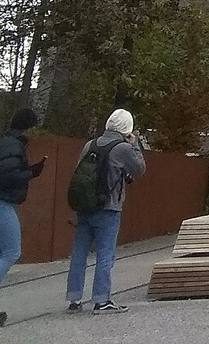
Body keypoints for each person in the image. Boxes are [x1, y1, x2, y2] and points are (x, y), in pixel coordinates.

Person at [66, 109, 145, 315]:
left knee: (79, 252)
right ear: (127, 128)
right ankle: (102, 301)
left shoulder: (89, 145)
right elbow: (139, 168)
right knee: (105, 254)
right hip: (108, 207)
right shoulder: (122, 148)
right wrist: (134, 143)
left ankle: (74, 299)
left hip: (85, 206)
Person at [0, 109, 47, 328]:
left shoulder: (6, 142)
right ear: (28, 126)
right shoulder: (12, 145)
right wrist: (31, 172)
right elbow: (6, 176)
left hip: (1, 202)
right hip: (2, 203)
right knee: (12, 252)